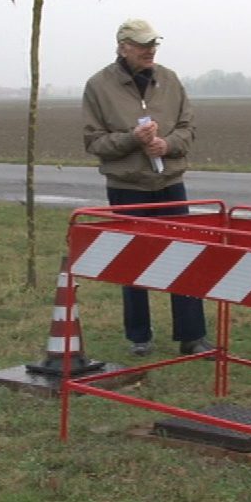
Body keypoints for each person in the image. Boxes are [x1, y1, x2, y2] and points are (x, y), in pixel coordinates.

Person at [81, 18, 212, 358]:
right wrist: (131, 140)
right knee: (133, 260)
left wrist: (167, 145)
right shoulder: (98, 86)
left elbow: (188, 127)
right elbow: (93, 141)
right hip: (127, 187)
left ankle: (192, 336)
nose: (150, 50)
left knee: (184, 256)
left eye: (153, 43)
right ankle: (139, 336)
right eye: (142, 45)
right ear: (123, 47)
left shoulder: (169, 80)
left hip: (170, 182)